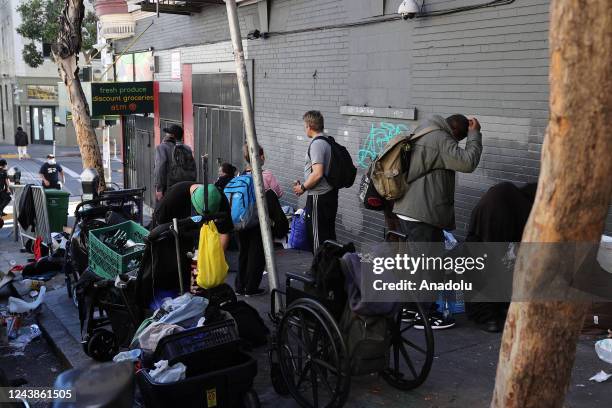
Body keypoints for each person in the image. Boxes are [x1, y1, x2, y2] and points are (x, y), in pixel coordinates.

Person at [394, 114, 483, 329]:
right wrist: (475, 135)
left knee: (416, 263)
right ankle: (426, 315)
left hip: (408, 209)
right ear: (455, 132)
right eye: (459, 139)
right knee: (429, 265)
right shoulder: (441, 139)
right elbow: (468, 162)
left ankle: (410, 307)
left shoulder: (424, 130)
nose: (457, 145)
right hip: (421, 212)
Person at [143, 181, 234, 306]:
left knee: (199, 287)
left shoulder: (218, 198)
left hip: (202, 244)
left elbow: (224, 232)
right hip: (175, 238)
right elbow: (158, 234)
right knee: (178, 279)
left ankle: (199, 301)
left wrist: (214, 259)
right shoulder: (171, 199)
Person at [465, 182, 536, 332]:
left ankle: (485, 314)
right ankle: (489, 317)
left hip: (480, 225)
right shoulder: (524, 207)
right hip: (494, 227)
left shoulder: (511, 194)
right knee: (492, 269)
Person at [235, 144, 284, 296]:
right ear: (260, 157)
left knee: (243, 253)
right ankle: (251, 288)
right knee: (257, 255)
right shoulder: (267, 175)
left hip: (241, 221)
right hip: (258, 221)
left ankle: (239, 287)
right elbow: (278, 194)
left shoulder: (239, 176)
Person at [292, 110, 338, 253]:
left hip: (319, 196)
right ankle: (330, 268)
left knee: (317, 236)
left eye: (305, 125)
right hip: (328, 195)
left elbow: (317, 174)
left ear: (309, 126)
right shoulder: (327, 141)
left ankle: (319, 271)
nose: (304, 128)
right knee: (328, 234)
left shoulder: (317, 144)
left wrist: (303, 187)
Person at [153, 124, 195, 204]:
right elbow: (193, 169)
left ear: (171, 135)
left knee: (164, 213)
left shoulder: (162, 148)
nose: (165, 134)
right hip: (186, 188)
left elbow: (160, 168)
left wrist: (159, 189)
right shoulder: (187, 149)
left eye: (167, 133)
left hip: (169, 189)